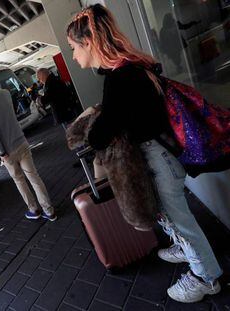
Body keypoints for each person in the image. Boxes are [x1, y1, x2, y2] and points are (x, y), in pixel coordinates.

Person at [66, 4, 222, 303]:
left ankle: (207, 276)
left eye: (74, 47)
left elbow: (101, 134)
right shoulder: (130, 68)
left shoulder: (119, 79)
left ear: (89, 43)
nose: (73, 55)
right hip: (162, 155)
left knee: (180, 220)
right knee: (170, 215)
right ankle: (184, 247)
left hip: (158, 159)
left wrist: (93, 123)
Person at [0, 66, 56, 221]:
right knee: (34, 177)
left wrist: (2, 153)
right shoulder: (5, 93)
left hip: (7, 151)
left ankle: (34, 210)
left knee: (19, 180)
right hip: (21, 141)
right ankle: (49, 210)